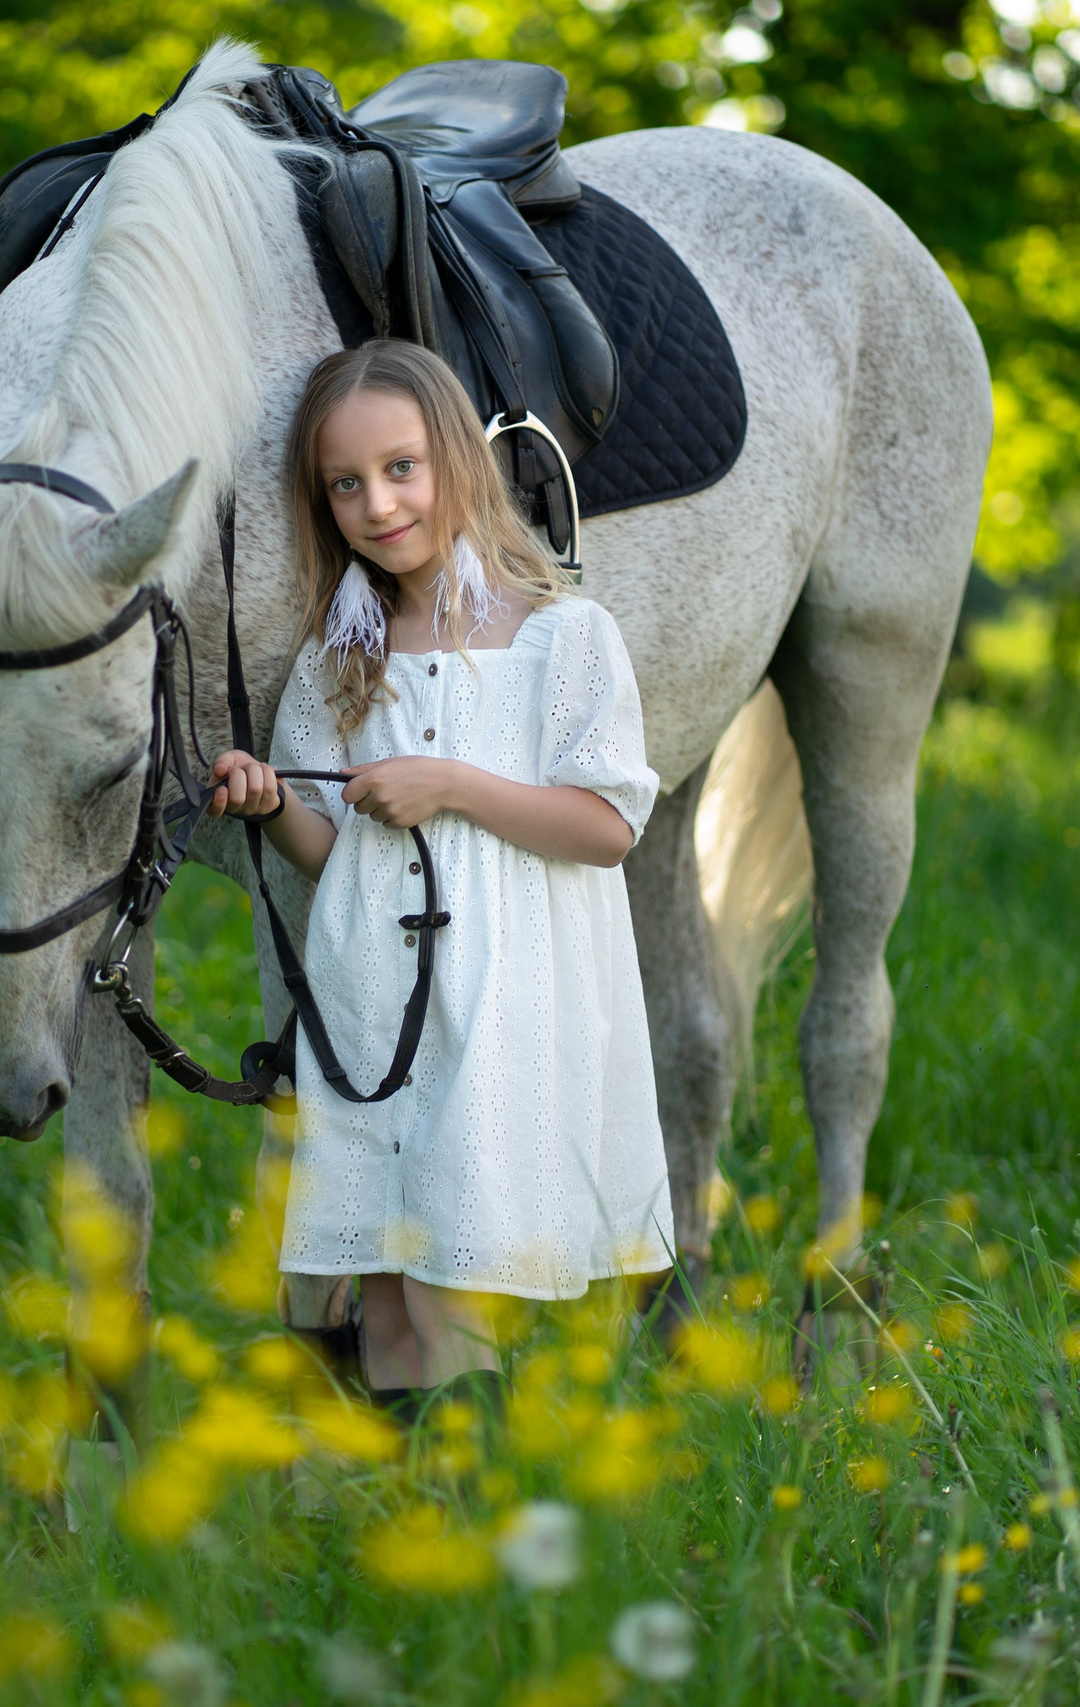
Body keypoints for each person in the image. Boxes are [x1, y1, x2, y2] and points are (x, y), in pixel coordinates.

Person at [206, 339, 675, 1415]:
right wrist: (276, 805)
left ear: (456, 458)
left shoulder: (563, 636)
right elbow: (342, 860)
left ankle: (475, 1522)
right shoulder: (340, 656)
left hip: (499, 1004)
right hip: (371, 1000)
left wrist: (452, 784)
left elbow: (606, 828)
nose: (377, 503)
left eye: (401, 467)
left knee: (452, 1282)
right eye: (345, 483)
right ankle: (407, 1537)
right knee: (382, 1276)